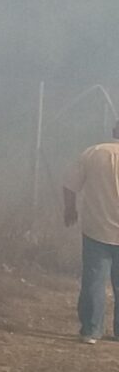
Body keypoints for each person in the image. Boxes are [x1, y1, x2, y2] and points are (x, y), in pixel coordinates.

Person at [63, 121, 119, 343]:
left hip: (97, 229)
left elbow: (69, 183)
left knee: (94, 280)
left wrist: (70, 210)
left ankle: (91, 330)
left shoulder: (94, 152)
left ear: (114, 131)